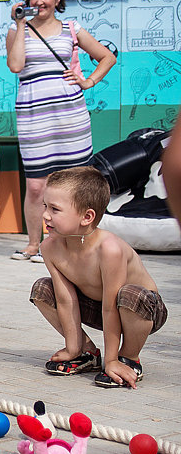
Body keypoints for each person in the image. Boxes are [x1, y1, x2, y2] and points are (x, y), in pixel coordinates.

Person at [5, 0, 116, 262]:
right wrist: (19, 24)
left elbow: (107, 57)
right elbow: (16, 66)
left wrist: (88, 81)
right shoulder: (18, 31)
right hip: (33, 115)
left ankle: (61, 244)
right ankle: (34, 244)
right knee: (36, 185)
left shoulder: (71, 28)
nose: (39, 1)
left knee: (73, 184)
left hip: (71, 115)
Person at [31, 166, 166, 388]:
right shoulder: (50, 247)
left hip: (139, 311)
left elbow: (111, 306)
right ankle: (86, 352)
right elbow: (66, 299)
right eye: (45, 206)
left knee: (130, 295)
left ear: (87, 217)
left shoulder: (109, 249)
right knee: (42, 290)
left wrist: (111, 361)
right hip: (98, 307)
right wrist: (71, 345)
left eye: (55, 209)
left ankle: (128, 358)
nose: (45, 214)